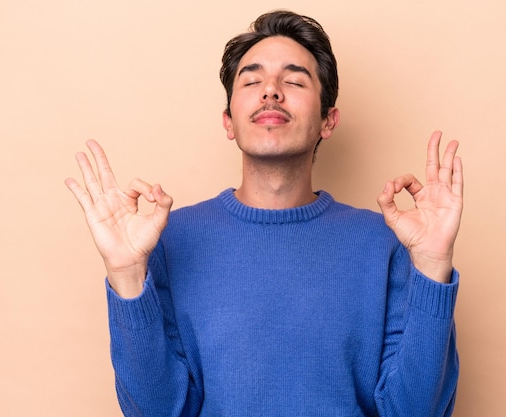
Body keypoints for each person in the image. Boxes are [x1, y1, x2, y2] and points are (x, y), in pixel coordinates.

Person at [65, 10, 463, 417]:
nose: (271, 91)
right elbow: (157, 411)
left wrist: (432, 267)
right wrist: (126, 274)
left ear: (328, 120)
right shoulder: (169, 239)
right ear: (229, 121)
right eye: (252, 81)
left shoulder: (385, 243)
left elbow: (416, 410)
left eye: (294, 80)